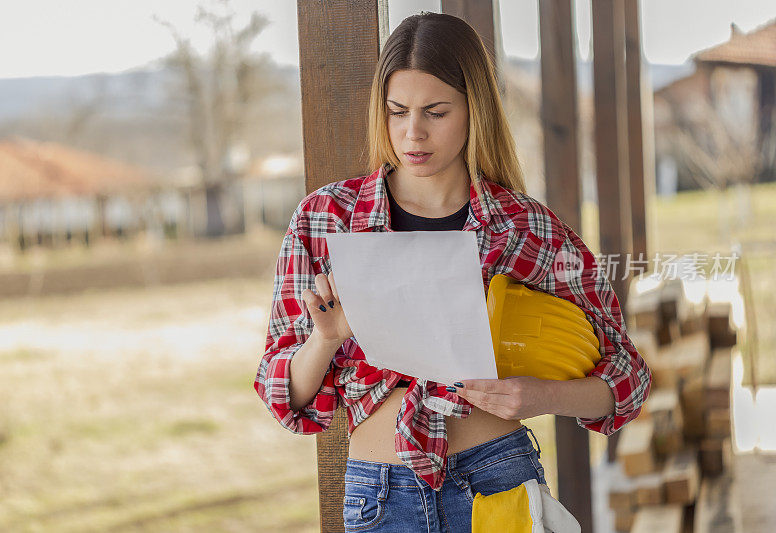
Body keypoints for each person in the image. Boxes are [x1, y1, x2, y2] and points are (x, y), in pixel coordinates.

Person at [253, 11, 651, 532]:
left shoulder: (523, 227)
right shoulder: (327, 219)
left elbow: (627, 377)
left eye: (435, 113)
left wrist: (539, 396)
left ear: (474, 110)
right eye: (397, 112)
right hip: (379, 496)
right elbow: (283, 393)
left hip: (497, 478)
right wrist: (325, 339)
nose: (412, 134)